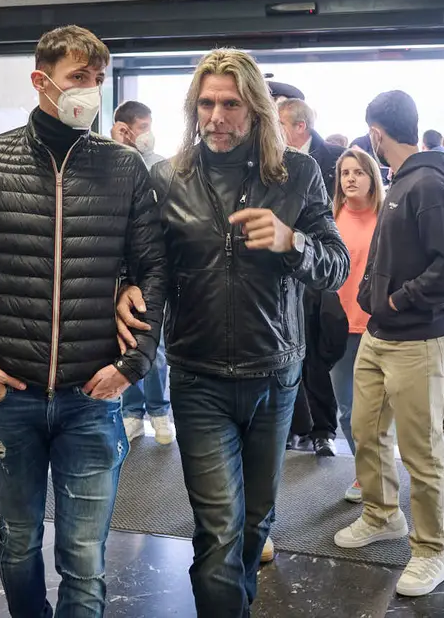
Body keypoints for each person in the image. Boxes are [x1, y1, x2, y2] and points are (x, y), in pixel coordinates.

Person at [0, 25, 167, 618]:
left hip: (93, 393)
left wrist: (131, 365)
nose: (90, 91)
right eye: (77, 79)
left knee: (85, 555)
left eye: (97, 80)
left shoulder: (124, 169)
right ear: (42, 82)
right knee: (18, 541)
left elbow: (155, 272)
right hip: (11, 392)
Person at [116, 49, 349, 615]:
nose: (216, 116)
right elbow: (150, 265)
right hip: (199, 379)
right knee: (218, 532)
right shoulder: (168, 177)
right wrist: (127, 283)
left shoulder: (297, 173)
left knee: (253, 525)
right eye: (206, 103)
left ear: (257, 111)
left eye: (230, 103)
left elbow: (336, 264)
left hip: (276, 376)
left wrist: (291, 241)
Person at [334, 90, 444, 598]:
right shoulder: (402, 182)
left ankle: (432, 550)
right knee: (365, 430)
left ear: (375, 133)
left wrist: (397, 301)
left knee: (421, 450)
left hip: (418, 338)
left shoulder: (430, 182)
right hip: (379, 336)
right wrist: (381, 306)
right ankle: (381, 514)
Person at [277, 97, 347, 456]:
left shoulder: (334, 158)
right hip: (286, 271)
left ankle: (324, 430)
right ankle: (296, 427)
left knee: (318, 357)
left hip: (321, 268)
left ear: (298, 126)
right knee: (291, 356)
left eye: (280, 123)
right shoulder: (271, 161)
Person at [111, 100, 174, 445]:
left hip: (153, 267)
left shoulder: (160, 165)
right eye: (141, 126)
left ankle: (160, 410)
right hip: (120, 270)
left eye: (150, 125)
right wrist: (118, 148)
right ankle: (132, 412)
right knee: (127, 343)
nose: (146, 134)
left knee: (155, 345)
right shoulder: (109, 157)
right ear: (124, 128)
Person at [328, 148, 384, 503]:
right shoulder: (330, 216)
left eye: (358, 172)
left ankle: (380, 474)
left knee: (377, 412)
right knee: (348, 410)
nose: (350, 179)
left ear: (372, 178)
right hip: (340, 327)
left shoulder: (387, 216)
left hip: (379, 326)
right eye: (345, 173)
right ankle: (366, 474)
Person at [112, 100, 166, 169]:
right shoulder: (109, 164)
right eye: (143, 127)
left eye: (149, 126)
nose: (149, 132)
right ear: (124, 131)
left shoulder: (161, 165)